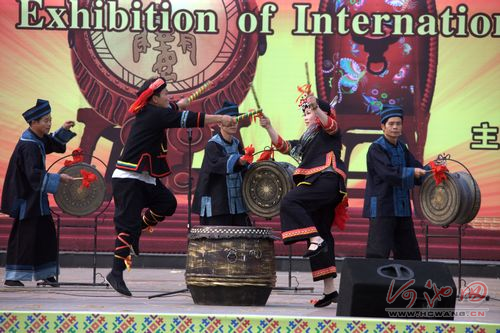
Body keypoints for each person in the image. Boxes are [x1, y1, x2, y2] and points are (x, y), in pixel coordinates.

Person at [107, 77, 236, 297]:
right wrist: (220, 118)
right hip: (128, 178)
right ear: (155, 98)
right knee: (126, 228)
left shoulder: (154, 110)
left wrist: (178, 105)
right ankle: (116, 273)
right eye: (166, 94)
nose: (169, 96)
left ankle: (138, 228)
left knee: (167, 203)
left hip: (143, 177)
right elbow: (188, 119)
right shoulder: (155, 114)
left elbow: (173, 110)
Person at [259, 95, 348, 307]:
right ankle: (330, 291)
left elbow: (331, 124)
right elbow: (284, 146)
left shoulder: (330, 133)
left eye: (309, 113)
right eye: (305, 113)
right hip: (320, 185)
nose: (306, 117)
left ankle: (315, 240)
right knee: (322, 234)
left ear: (320, 114)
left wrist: (317, 109)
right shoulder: (307, 140)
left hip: (326, 180)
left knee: (290, 201)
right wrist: (269, 127)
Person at [1, 99, 76, 287]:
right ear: (33, 123)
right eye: (45, 121)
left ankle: (46, 274)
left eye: (50, 120)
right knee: (25, 236)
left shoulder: (36, 138)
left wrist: (63, 130)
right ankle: (13, 276)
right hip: (26, 196)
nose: (49, 124)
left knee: (45, 234)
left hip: (35, 195)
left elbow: (52, 143)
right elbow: (33, 176)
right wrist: (60, 179)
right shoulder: (29, 144)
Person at [363, 105, 427, 260]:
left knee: (409, 253)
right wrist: (412, 172)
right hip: (382, 207)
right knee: (378, 253)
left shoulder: (402, 148)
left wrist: (432, 171)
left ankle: (409, 284)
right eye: (391, 124)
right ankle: (373, 284)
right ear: (383, 126)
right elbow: (388, 173)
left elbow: (416, 166)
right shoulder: (376, 148)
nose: (395, 127)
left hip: (402, 207)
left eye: (398, 123)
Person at [192, 101, 252, 226]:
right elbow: (217, 164)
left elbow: (244, 168)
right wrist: (239, 161)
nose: (233, 123)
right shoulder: (212, 144)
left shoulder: (236, 143)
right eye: (230, 120)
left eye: (235, 119)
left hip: (237, 202)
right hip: (218, 202)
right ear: (220, 123)